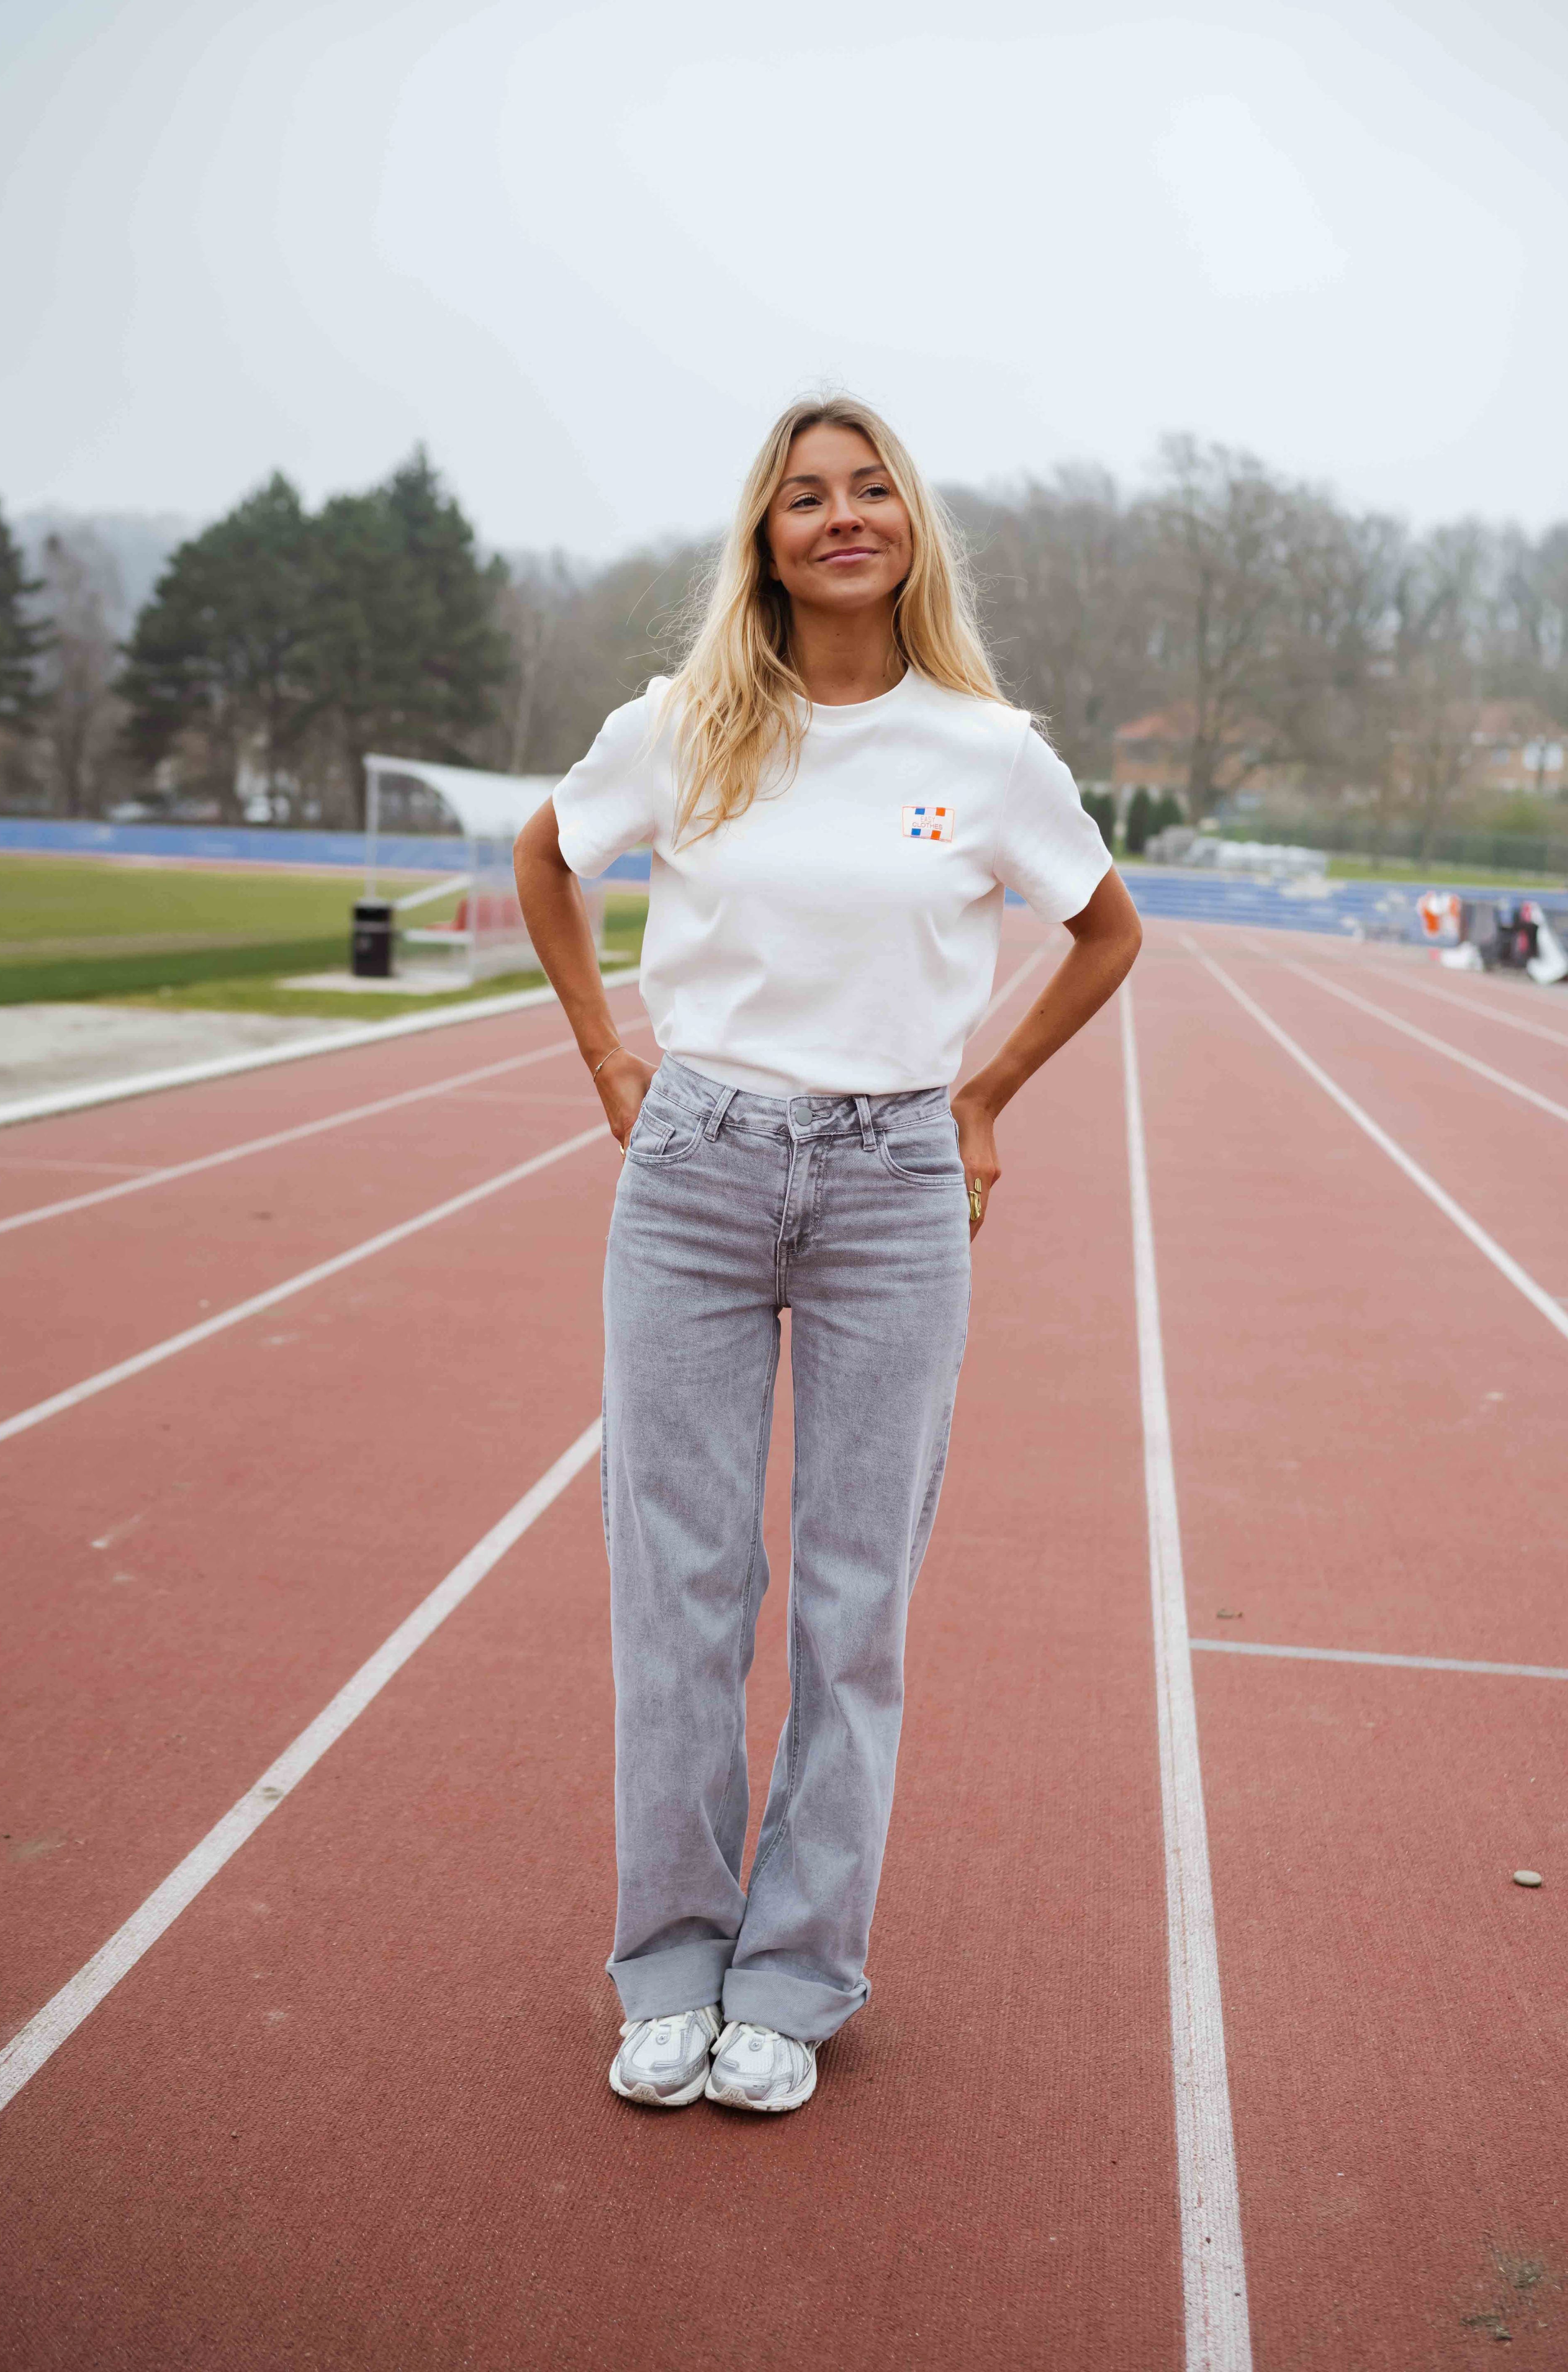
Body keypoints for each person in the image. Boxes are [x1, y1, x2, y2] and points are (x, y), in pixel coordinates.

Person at [514, 395, 1142, 2115]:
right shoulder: (687, 724)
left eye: (870, 490)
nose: (841, 515)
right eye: (805, 496)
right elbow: (546, 859)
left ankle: (791, 1977)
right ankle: (669, 1963)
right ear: (764, 537)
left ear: (910, 526)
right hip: (698, 1167)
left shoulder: (986, 753)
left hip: (889, 1189)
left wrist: (989, 1094)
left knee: (854, 1608)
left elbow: (1106, 930)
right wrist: (606, 1056)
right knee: (683, 1593)